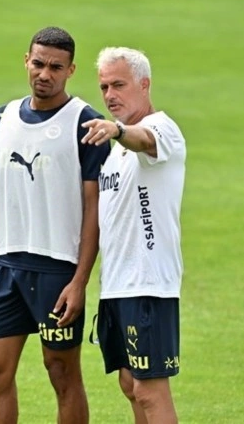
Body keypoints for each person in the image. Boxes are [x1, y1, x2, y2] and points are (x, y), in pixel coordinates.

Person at [0, 26, 110, 424]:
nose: (45, 74)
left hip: (57, 270)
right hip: (6, 267)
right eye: (38, 64)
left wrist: (80, 280)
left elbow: (95, 208)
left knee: (62, 373)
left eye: (56, 67)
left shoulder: (86, 124)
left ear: (71, 70)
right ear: (26, 61)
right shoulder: (3, 118)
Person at [81, 47, 187, 424]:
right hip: (117, 286)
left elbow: (143, 140)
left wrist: (118, 130)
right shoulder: (114, 154)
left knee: (149, 390)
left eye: (119, 85)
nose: (109, 95)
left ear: (144, 84)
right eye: (104, 87)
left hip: (148, 285)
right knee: (130, 384)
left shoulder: (162, 128)